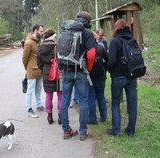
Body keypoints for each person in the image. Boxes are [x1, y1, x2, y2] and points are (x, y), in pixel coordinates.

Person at [59, 11, 96, 141]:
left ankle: (66, 131)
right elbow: (91, 54)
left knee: (65, 100)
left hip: (67, 72)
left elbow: (58, 50)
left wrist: (61, 67)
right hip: (80, 72)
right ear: (88, 21)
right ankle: (83, 132)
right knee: (84, 101)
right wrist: (89, 68)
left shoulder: (66, 30)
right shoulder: (87, 33)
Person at [107, 19, 138, 137]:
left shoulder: (115, 41)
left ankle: (116, 130)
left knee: (115, 103)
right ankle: (131, 131)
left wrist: (109, 69)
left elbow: (112, 61)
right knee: (132, 104)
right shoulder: (132, 39)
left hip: (118, 77)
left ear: (116, 28)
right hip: (132, 75)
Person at [37, 29, 62, 124]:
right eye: (55, 36)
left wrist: (44, 70)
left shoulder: (39, 48)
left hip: (46, 73)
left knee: (48, 95)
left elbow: (38, 63)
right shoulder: (57, 46)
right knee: (60, 94)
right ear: (52, 37)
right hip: (58, 73)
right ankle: (60, 116)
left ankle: (49, 116)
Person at [22, 24, 44, 118]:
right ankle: (29, 109)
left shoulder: (39, 41)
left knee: (39, 89)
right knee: (30, 91)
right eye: (41, 31)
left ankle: (39, 105)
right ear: (35, 30)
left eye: (43, 31)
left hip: (40, 70)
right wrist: (28, 68)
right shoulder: (28, 43)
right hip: (31, 70)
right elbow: (24, 58)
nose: (42, 33)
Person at [88, 32, 108, 125]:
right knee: (101, 96)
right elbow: (108, 59)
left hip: (90, 77)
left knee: (91, 96)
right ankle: (103, 117)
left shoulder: (87, 49)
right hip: (101, 76)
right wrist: (105, 69)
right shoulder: (101, 47)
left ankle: (92, 118)